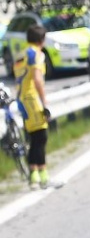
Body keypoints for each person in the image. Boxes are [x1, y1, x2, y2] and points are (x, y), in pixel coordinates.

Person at [14, 25, 54, 189]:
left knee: (33, 137)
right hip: (32, 98)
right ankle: (42, 175)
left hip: (21, 99)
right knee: (41, 136)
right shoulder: (36, 54)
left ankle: (34, 176)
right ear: (41, 40)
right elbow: (37, 79)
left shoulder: (21, 53)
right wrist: (44, 102)